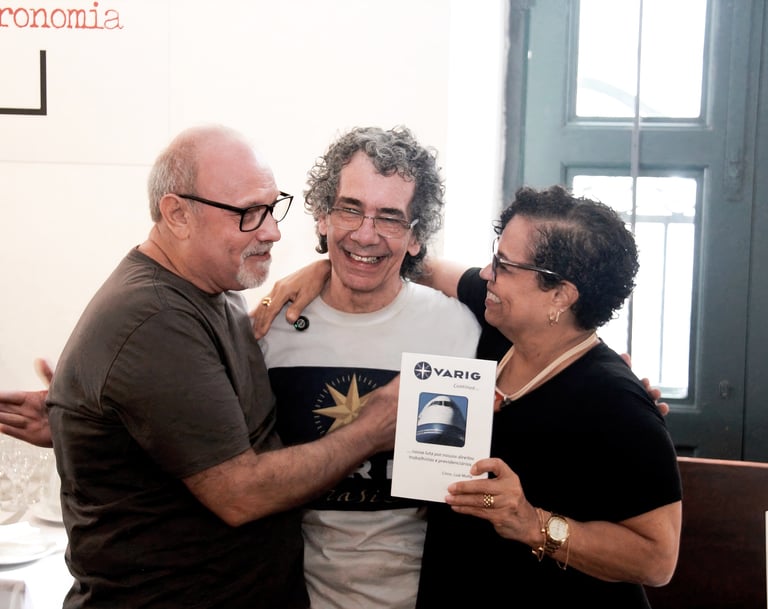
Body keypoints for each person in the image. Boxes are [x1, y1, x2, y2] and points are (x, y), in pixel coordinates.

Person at [0, 124, 399, 609]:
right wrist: (373, 427)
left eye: (272, 207)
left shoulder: (212, 287)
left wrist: (328, 270)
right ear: (177, 214)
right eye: (248, 213)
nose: (272, 231)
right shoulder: (156, 319)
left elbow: (193, 412)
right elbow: (241, 495)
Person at [414, 185, 681, 607]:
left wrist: (532, 524)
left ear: (560, 295)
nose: (486, 273)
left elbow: (658, 559)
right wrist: (317, 276)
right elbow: (424, 267)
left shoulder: (619, 402)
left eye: (504, 265)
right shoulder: (498, 323)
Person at [258, 126, 480, 609]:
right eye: (350, 209)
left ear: (416, 237)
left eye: (390, 218)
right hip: (294, 594)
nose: (365, 233)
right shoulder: (271, 329)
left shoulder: (458, 330)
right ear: (322, 217)